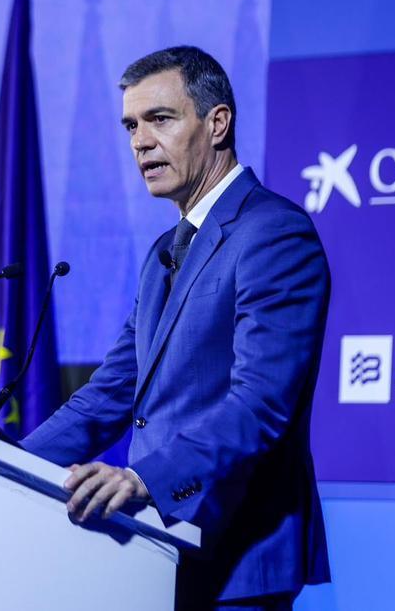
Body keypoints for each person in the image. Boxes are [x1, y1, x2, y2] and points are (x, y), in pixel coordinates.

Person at [20, 46, 331, 611]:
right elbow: (108, 396)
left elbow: (259, 405)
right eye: (131, 126)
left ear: (217, 123)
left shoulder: (274, 234)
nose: (140, 141)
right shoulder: (165, 251)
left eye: (159, 119)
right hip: (157, 552)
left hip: (237, 557)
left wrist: (146, 479)